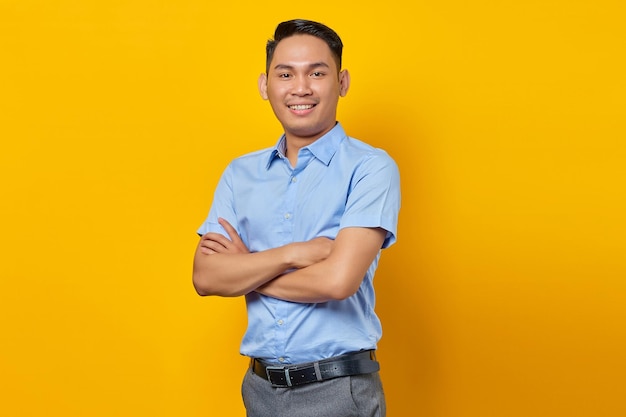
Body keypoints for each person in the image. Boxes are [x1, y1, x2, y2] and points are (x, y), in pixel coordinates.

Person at [193, 19, 401, 417]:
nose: (300, 87)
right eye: (285, 73)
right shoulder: (240, 174)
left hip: (338, 391)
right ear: (264, 85)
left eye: (316, 73)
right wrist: (295, 254)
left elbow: (337, 282)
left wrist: (245, 269)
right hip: (259, 389)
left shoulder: (371, 168)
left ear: (341, 82)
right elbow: (205, 278)